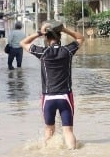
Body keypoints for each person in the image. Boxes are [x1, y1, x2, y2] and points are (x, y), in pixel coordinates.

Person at [20, 21, 85, 149]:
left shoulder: (42, 53)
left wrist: (39, 33)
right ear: (59, 38)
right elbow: (81, 38)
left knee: (49, 130)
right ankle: (73, 154)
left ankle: (46, 156)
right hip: (65, 96)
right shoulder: (67, 51)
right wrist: (65, 30)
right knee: (68, 131)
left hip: (48, 97)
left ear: (47, 38)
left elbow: (23, 43)